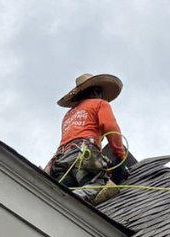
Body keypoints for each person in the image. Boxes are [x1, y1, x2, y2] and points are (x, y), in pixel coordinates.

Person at [47, 73, 130, 205]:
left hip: (61, 160)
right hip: (82, 157)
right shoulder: (99, 104)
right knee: (98, 185)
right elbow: (111, 128)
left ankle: (55, 204)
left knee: (64, 188)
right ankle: (70, 202)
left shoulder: (68, 115)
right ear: (97, 91)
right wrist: (120, 157)